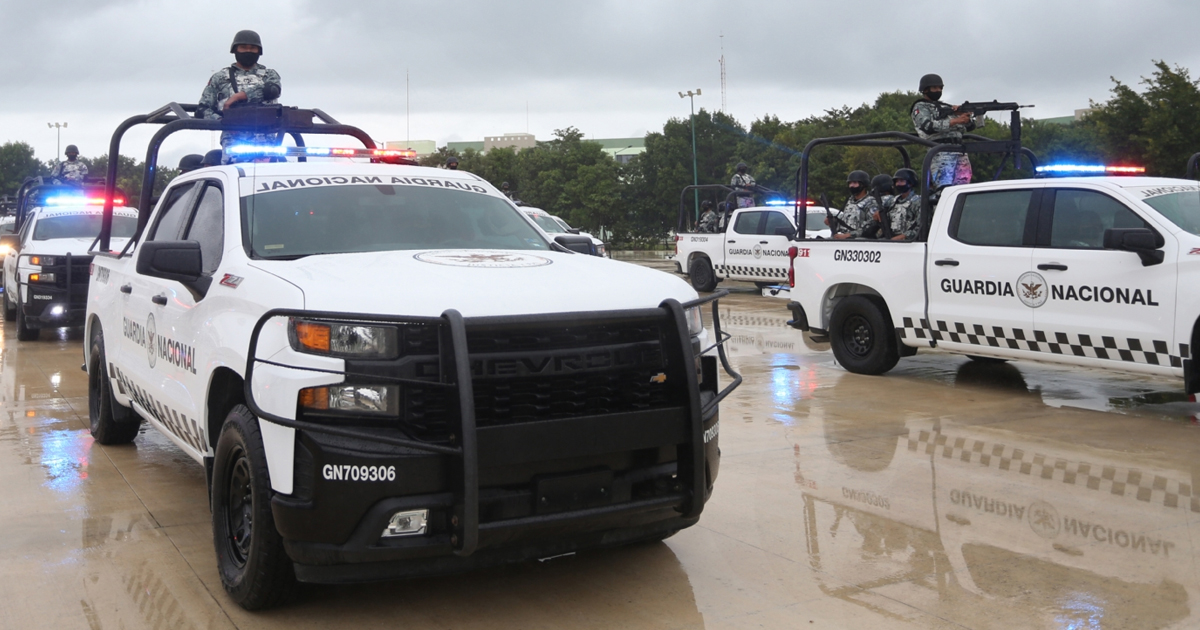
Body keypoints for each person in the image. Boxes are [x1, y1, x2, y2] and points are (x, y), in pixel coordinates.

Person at [197, 30, 283, 163]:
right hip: (234, 144)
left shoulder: (269, 75)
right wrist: (224, 122)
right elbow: (202, 109)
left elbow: (272, 90)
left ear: (259, 51)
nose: (248, 51)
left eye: (252, 48)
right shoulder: (220, 78)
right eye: (243, 47)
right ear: (235, 50)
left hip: (267, 143)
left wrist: (239, 97)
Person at [911, 74, 974, 189]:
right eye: (935, 88)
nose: (938, 91)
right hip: (940, 151)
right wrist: (955, 121)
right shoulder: (920, 107)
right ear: (926, 90)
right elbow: (928, 126)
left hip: (960, 150)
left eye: (940, 88)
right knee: (944, 188)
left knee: (963, 188)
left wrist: (967, 116)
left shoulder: (947, 107)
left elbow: (970, 127)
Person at [832, 170, 879, 240]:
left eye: (855, 183)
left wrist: (849, 235)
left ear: (863, 185)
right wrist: (833, 222)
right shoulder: (849, 201)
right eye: (850, 183)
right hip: (843, 237)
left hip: (860, 240)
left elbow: (871, 226)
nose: (851, 186)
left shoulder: (871, 202)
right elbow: (846, 221)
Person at [879, 168, 921, 241]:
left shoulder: (917, 201)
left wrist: (904, 236)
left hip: (911, 242)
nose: (898, 184)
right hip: (892, 239)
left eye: (901, 181)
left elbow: (921, 227)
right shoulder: (892, 201)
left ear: (910, 183)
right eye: (897, 181)